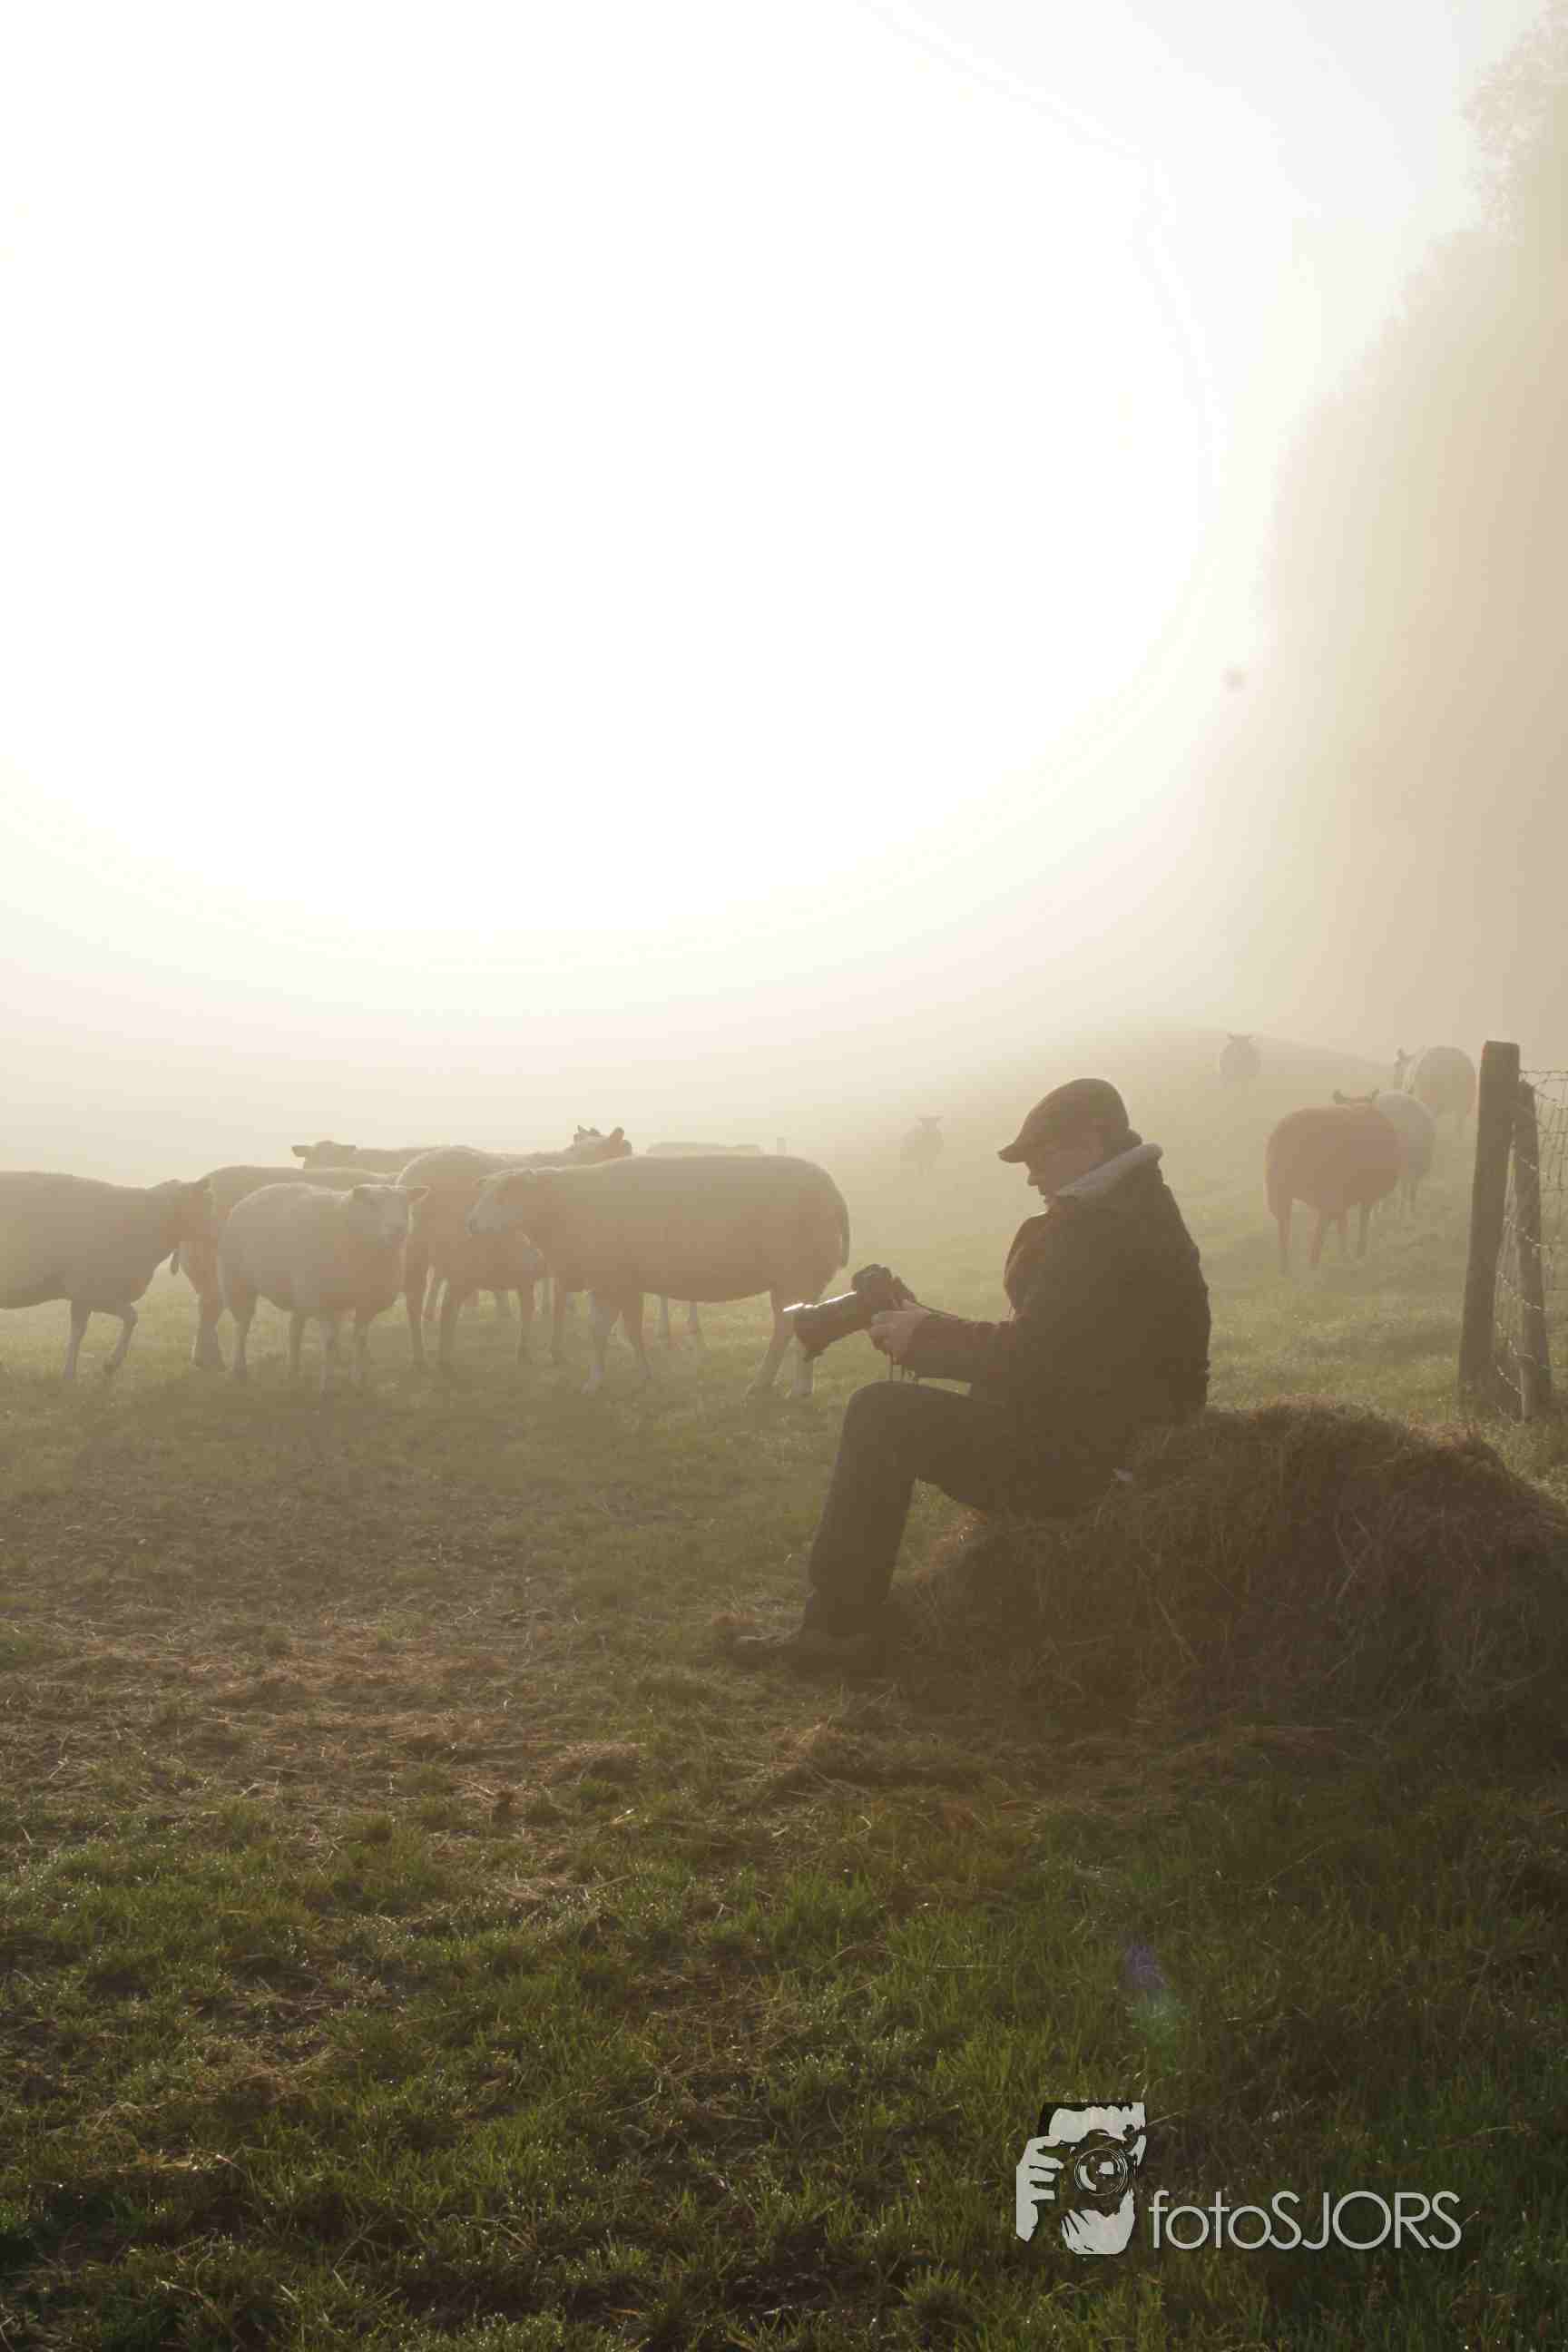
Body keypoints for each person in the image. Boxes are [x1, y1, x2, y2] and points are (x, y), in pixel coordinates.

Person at [727, 1078, 1210, 1673]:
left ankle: (839, 1630)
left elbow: (1035, 1355)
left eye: (1039, 1158)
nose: (1031, 1177)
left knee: (880, 1415)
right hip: (1111, 1437)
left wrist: (926, 1336)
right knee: (891, 1413)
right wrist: (924, 1325)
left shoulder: (1106, 1226)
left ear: (1090, 1140)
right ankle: (843, 1621)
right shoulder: (1128, 1210)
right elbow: (1063, 1346)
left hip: (1095, 1461)